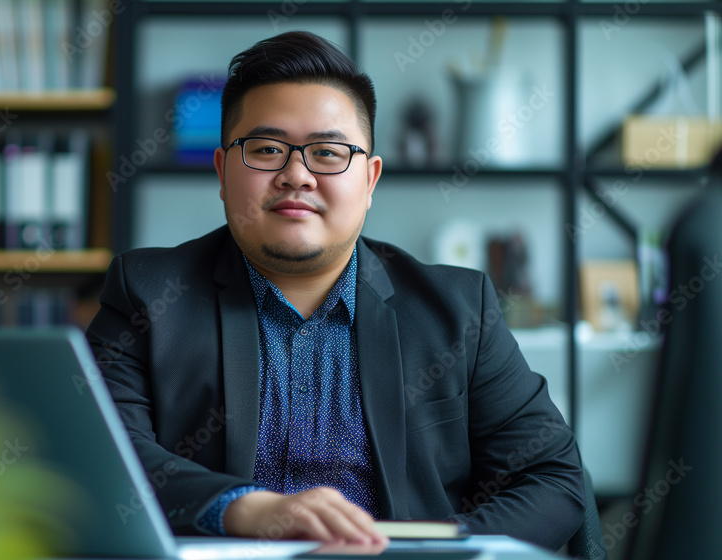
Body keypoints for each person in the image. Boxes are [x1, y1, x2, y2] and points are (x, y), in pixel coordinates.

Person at [86, 30, 584, 550]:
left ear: (370, 181)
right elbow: (102, 453)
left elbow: (551, 479)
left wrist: (437, 552)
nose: (296, 174)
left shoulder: (459, 310)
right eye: (266, 149)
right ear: (222, 170)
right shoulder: (147, 295)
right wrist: (248, 509)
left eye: (328, 152)